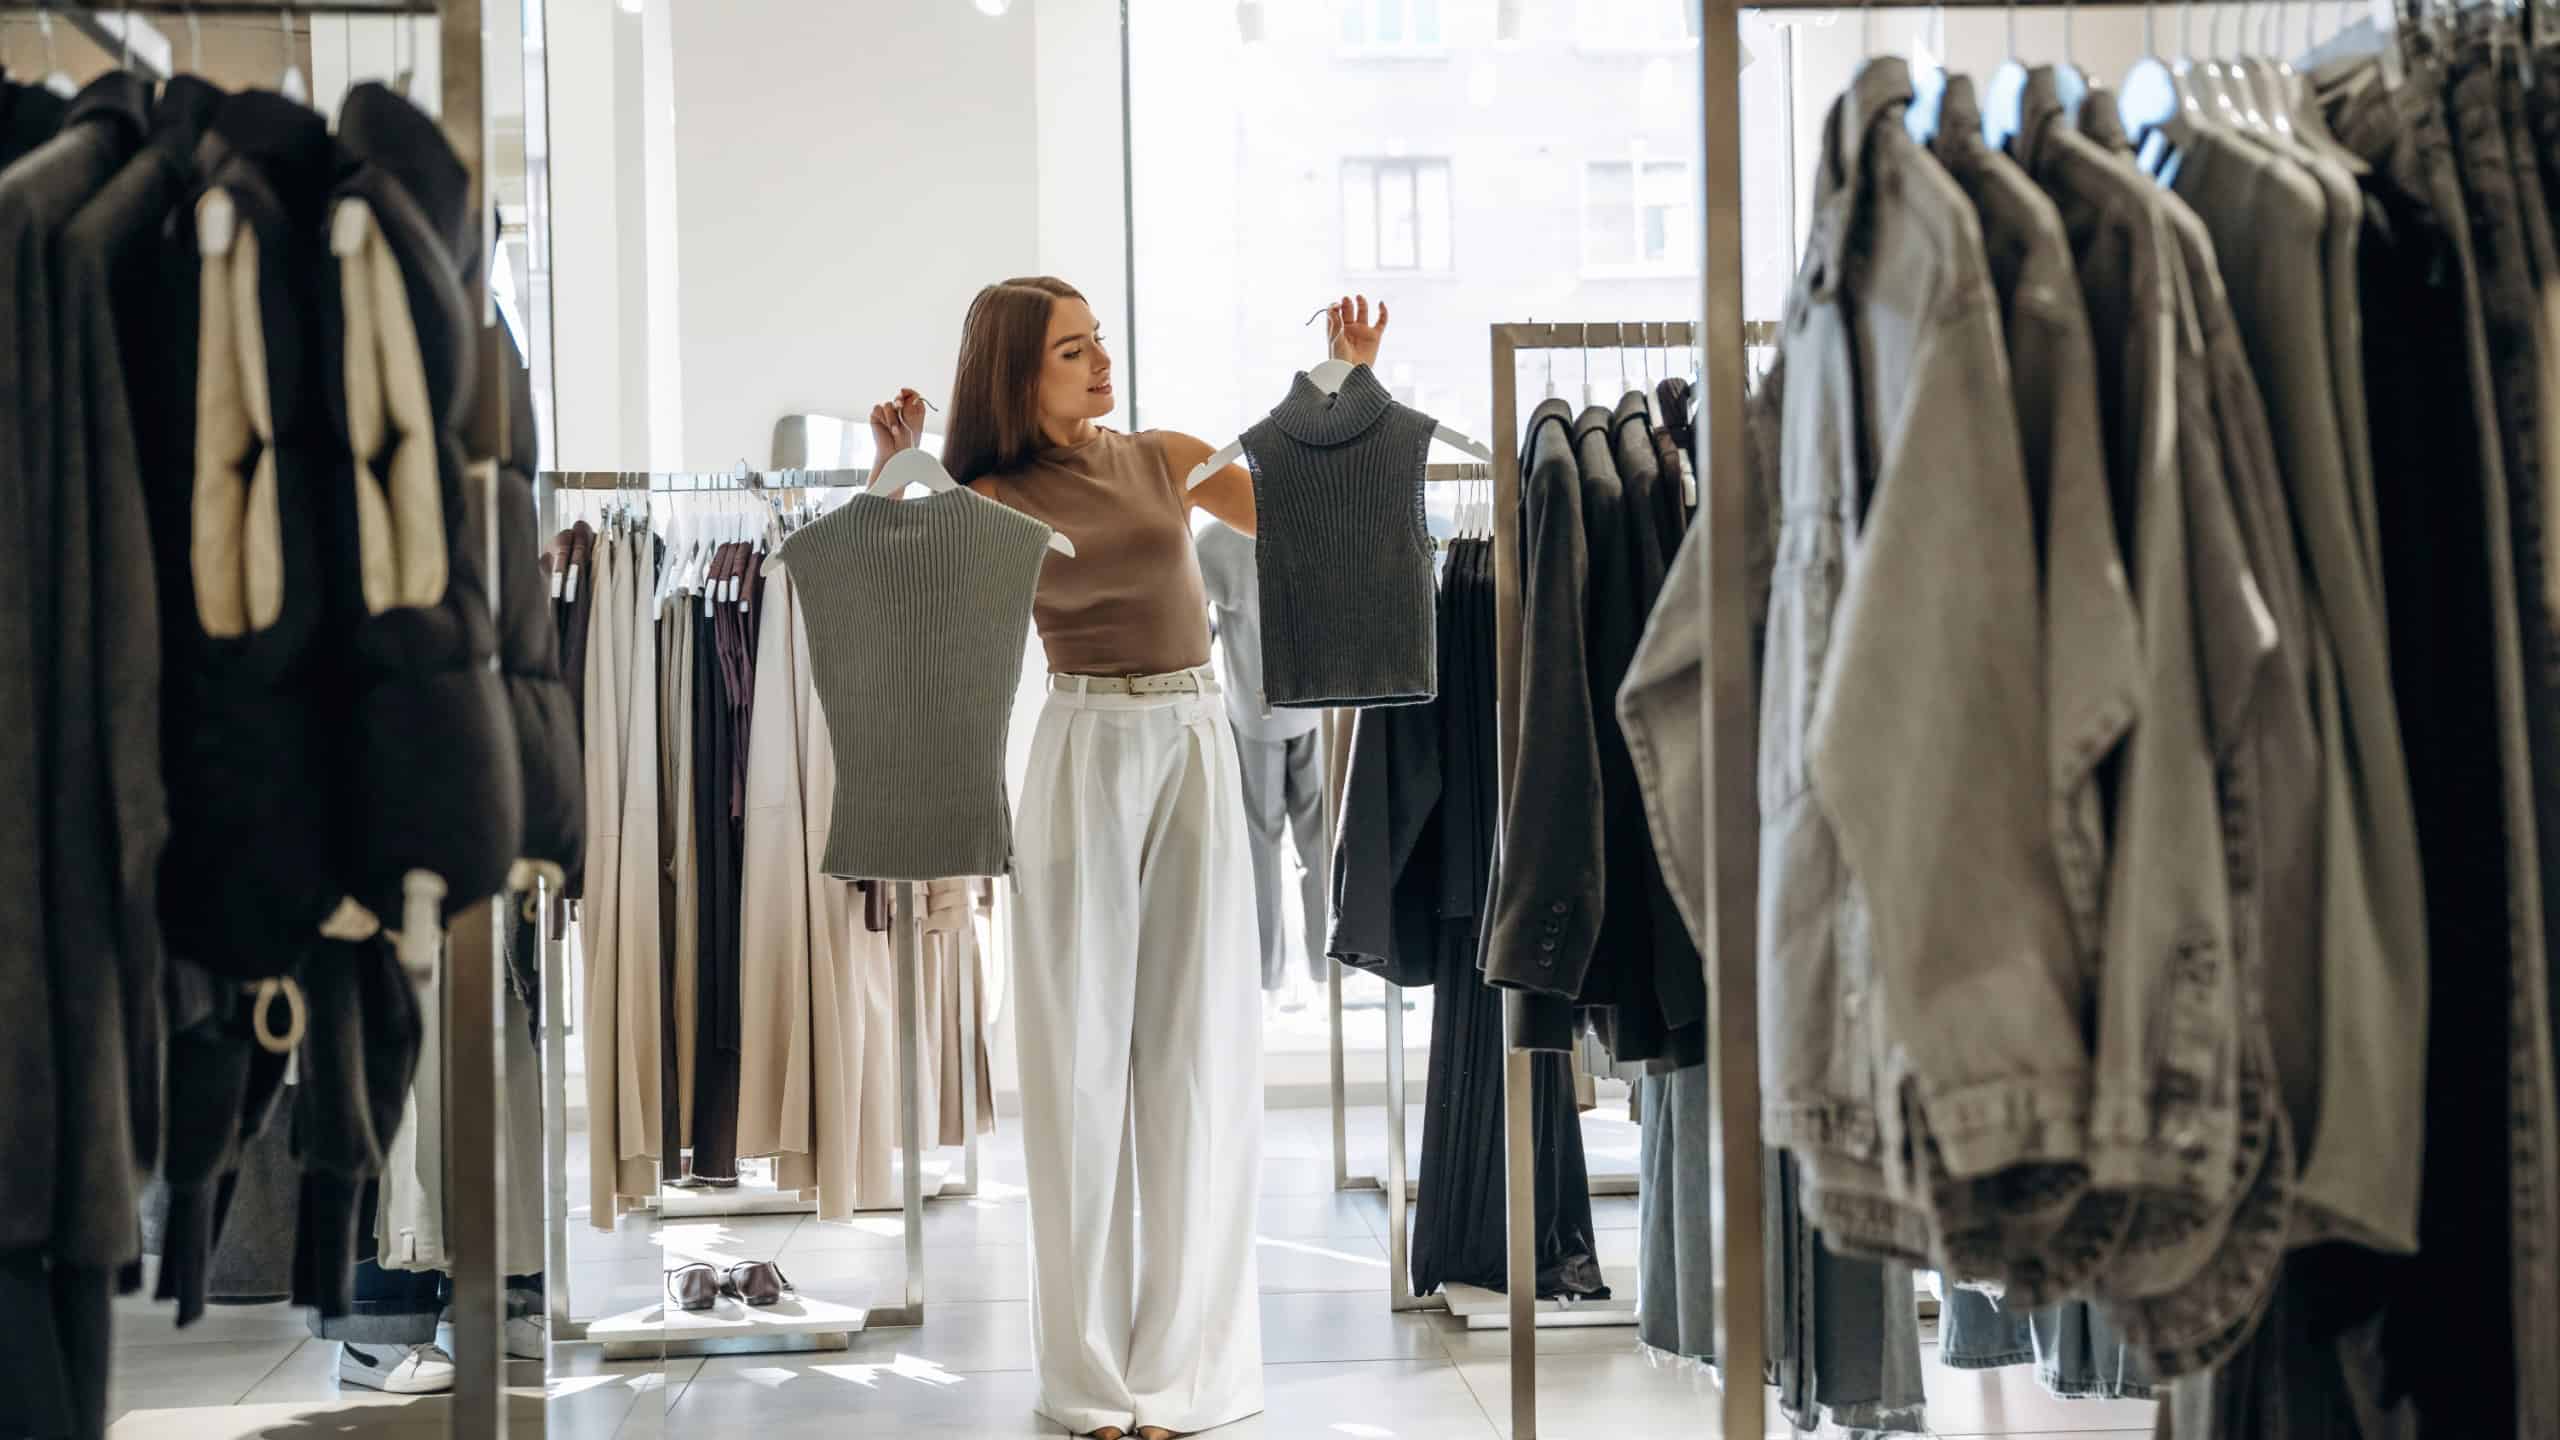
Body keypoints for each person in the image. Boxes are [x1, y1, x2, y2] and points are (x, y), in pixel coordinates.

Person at [868, 281, 1388, 1440]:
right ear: (1017, 375)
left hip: (1196, 736)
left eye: (1099, 341)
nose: (1100, 361)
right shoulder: (989, 494)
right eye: (1071, 350)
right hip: (1084, 749)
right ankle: (1093, 1384)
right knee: (1080, 1069)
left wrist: (1343, 380)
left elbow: (1307, 511)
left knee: (1200, 1058)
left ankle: (1182, 1382)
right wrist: (897, 467)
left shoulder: (1168, 457)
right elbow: (910, 605)